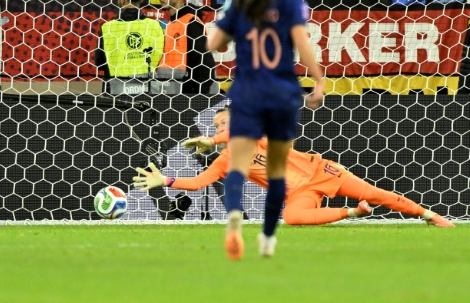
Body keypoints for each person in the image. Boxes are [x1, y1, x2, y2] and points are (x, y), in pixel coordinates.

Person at [134, 107, 454, 228]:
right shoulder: (226, 159)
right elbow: (200, 181)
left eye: (226, 122)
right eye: (217, 123)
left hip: (322, 171)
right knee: (291, 217)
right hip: (301, 191)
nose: (222, 126)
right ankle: (353, 213)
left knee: (378, 193)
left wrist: (211, 139)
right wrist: (166, 179)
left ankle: (429, 215)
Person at [203, 0, 325, 259]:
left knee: (237, 166)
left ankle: (234, 216)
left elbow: (214, 45)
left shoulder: (242, 2)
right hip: (282, 94)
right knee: (276, 171)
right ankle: (268, 238)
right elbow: (302, 44)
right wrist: (319, 82)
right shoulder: (291, 5)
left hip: (246, 92)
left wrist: (230, 27)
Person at [95, 0, 164, 95]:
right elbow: (159, 57)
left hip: (116, 88)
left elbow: (100, 62)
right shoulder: (155, 26)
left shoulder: (107, 28)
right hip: (147, 87)